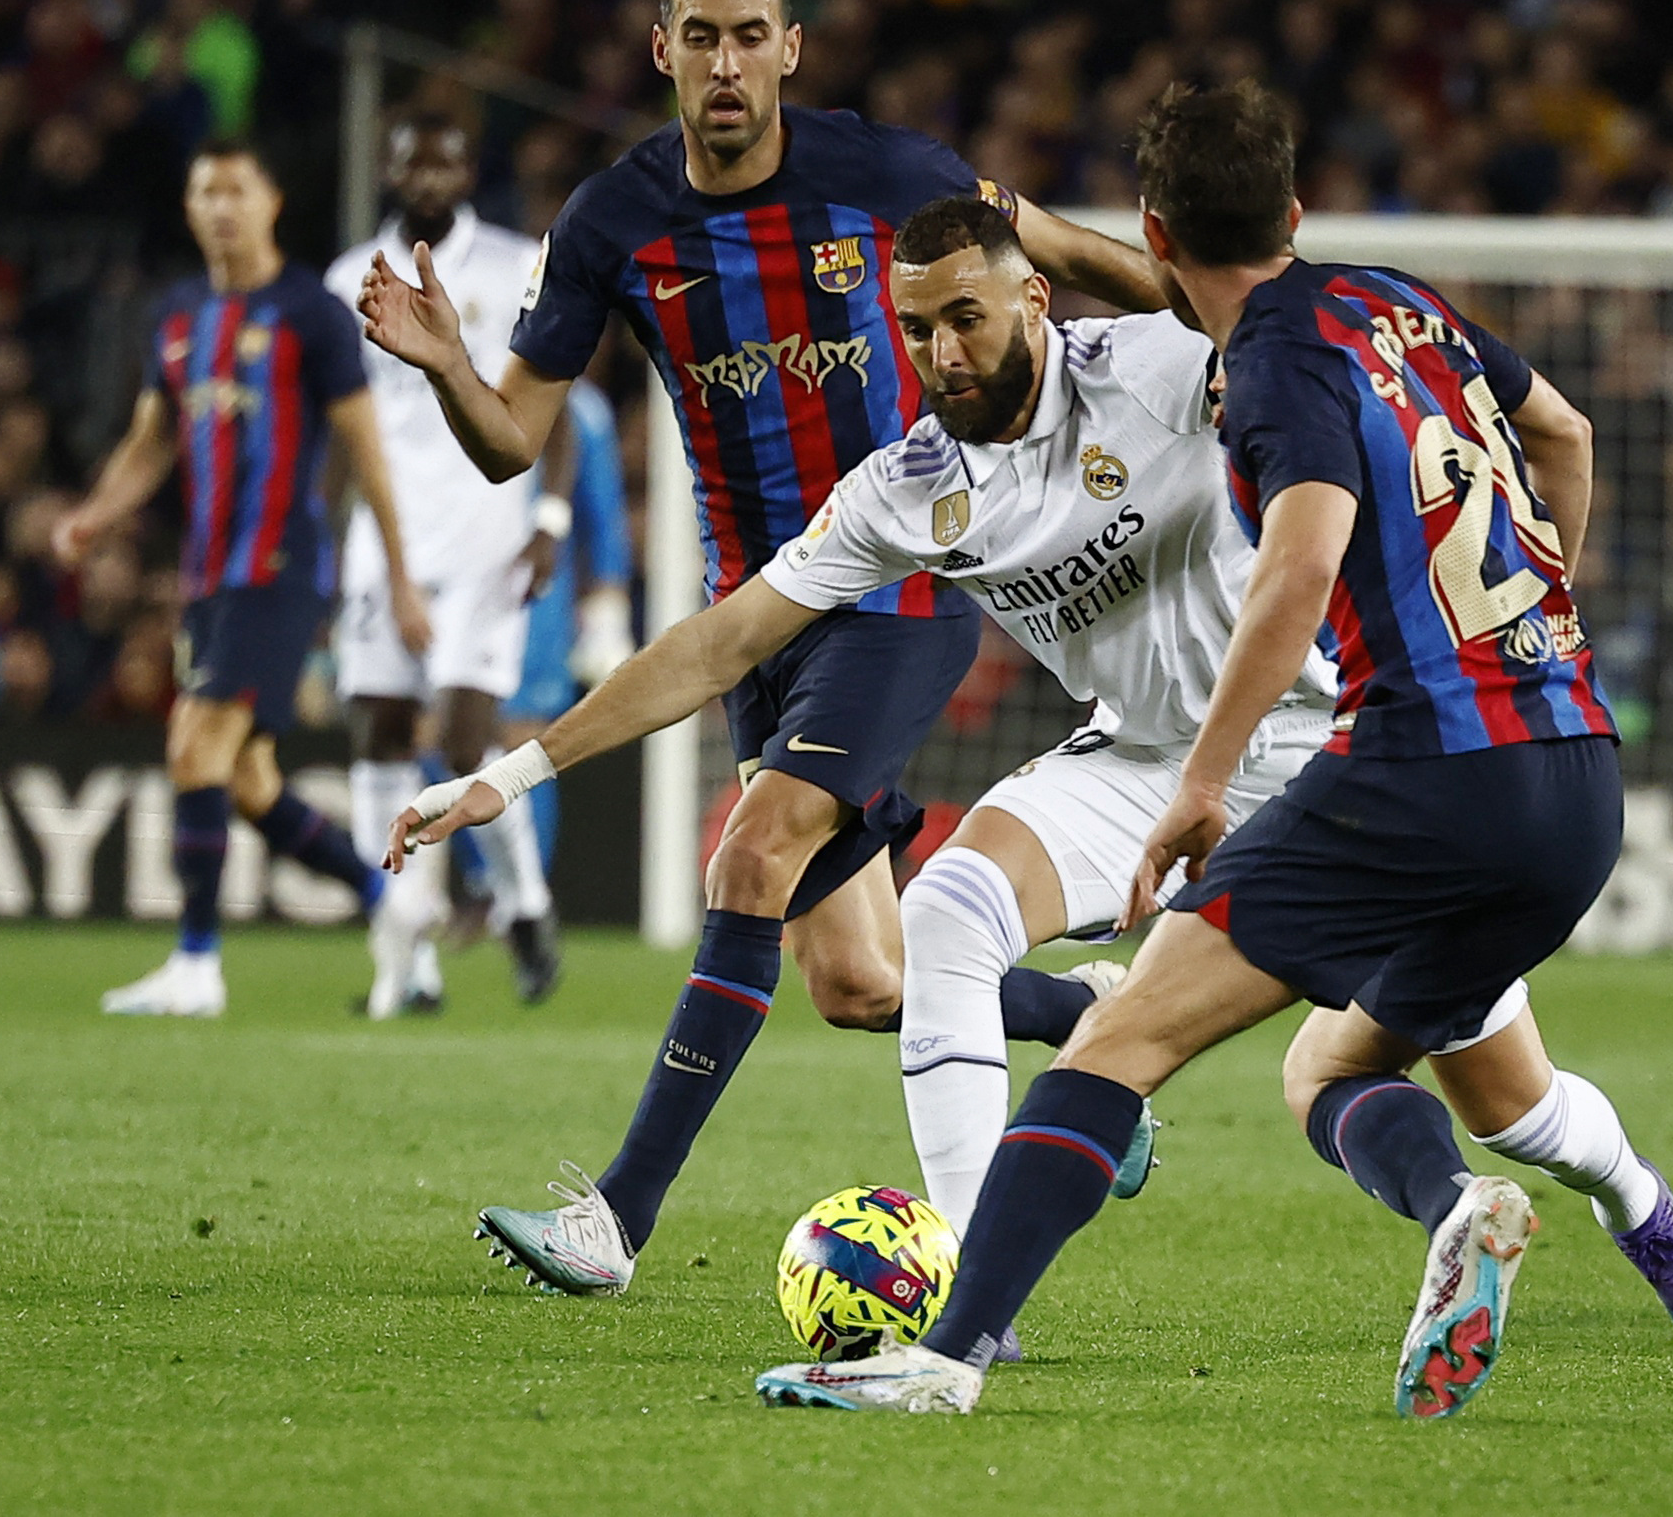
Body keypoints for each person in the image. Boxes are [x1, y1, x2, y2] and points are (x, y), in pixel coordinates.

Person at [748, 82, 1673, 1418]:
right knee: (1370, 1073)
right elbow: (1562, 430)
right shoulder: (1398, 300)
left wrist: (1204, 782)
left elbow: (1296, 565)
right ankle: (1619, 1213)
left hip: (1395, 768)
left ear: (1156, 233)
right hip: (1569, 759)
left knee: (1113, 1047)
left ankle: (946, 1361)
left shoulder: (1259, 363)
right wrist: (1535, 601)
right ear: (1293, 209)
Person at [354, 0, 1164, 1292]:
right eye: (700, 38)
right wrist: (444, 364)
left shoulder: (888, 173)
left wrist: (1215, 326)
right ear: (660, 50)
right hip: (753, 613)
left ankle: (614, 1218)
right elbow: (508, 437)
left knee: (747, 854)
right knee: (856, 980)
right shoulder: (614, 221)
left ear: (788, 49)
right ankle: (1085, 1015)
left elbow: (1070, 258)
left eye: (750, 37)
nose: (725, 64)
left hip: (899, 580)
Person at [389, 197, 1338, 1336]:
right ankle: (978, 1309)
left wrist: (1073, 241)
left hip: (1319, 738)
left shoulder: (1153, 363)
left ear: (1033, 298)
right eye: (919, 327)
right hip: (1137, 759)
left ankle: (1614, 1197)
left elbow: (1293, 347)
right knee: (925, 926)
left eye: (968, 319)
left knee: (1476, 1062)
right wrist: (518, 771)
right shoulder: (909, 485)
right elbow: (717, 643)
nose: (942, 353)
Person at [55, 140, 431, 1018]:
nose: (220, 206)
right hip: (210, 579)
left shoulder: (312, 313)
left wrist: (402, 579)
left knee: (195, 744)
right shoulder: (179, 315)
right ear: (189, 208)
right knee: (250, 780)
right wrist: (96, 515)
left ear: (273, 201)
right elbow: (152, 440)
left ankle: (196, 963)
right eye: (205, 191)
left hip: (281, 568)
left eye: (236, 189)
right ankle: (395, 903)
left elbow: (369, 455)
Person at [325, 115, 563, 1015]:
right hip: (381, 546)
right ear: (388, 168)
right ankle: (407, 964)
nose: (429, 171)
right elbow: (343, 434)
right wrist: (324, 543)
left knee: (463, 742)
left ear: (469, 167)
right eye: (414, 156)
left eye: (447, 155)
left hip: (486, 540)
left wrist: (549, 518)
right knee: (380, 736)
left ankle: (524, 905)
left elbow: (554, 396)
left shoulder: (513, 266)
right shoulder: (349, 280)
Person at [503, 376, 636, 872]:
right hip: (456, 583)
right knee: (437, 736)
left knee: (522, 739)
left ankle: (527, 893)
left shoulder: (582, 408)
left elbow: (604, 515)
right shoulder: (459, 384)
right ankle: (479, 882)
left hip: (537, 598)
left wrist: (608, 608)